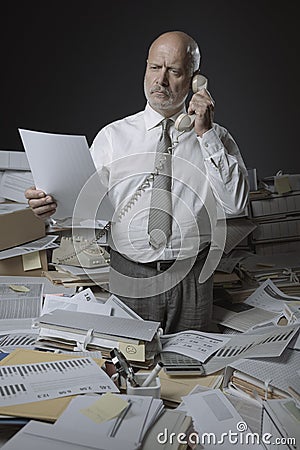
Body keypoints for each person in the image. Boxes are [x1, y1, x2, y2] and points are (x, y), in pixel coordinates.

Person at [25, 31, 249, 334]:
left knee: (191, 369)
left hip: (193, 277)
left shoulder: (215, 138)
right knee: (132, 366)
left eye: (174, 71)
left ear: (196, 79)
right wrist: (50, 207)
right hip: (130, 274)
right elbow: (82, 208)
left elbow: (235, 205)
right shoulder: (113, 138)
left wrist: (205, 134)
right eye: (155, 68)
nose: (161, 80)